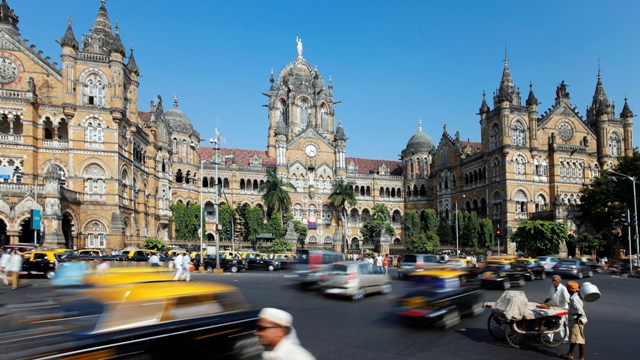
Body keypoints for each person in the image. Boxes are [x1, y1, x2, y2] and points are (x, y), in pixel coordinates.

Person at [560, 281, 587, 360]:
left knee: (580, 340)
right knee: (574, 339)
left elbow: (580, 311)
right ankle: (569, 354)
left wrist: (577, 319)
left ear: (570, 290)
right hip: (576, 321)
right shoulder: (577, 295)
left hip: (576, 322)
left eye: (567, 288)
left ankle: (581, 358)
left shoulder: (574, 298)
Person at [544, 275, 570, 342]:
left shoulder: (563, 288)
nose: (553, 282)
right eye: (552, 281)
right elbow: (549, 297)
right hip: (554, 308)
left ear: (559, 281)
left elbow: (568, 300)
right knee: (552, 322)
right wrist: (544, 303)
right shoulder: (552, 287)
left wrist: (570, 309)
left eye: (555, 281)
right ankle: (549, 337)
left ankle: (565, 338)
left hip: (563, 309)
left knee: (563, 324)